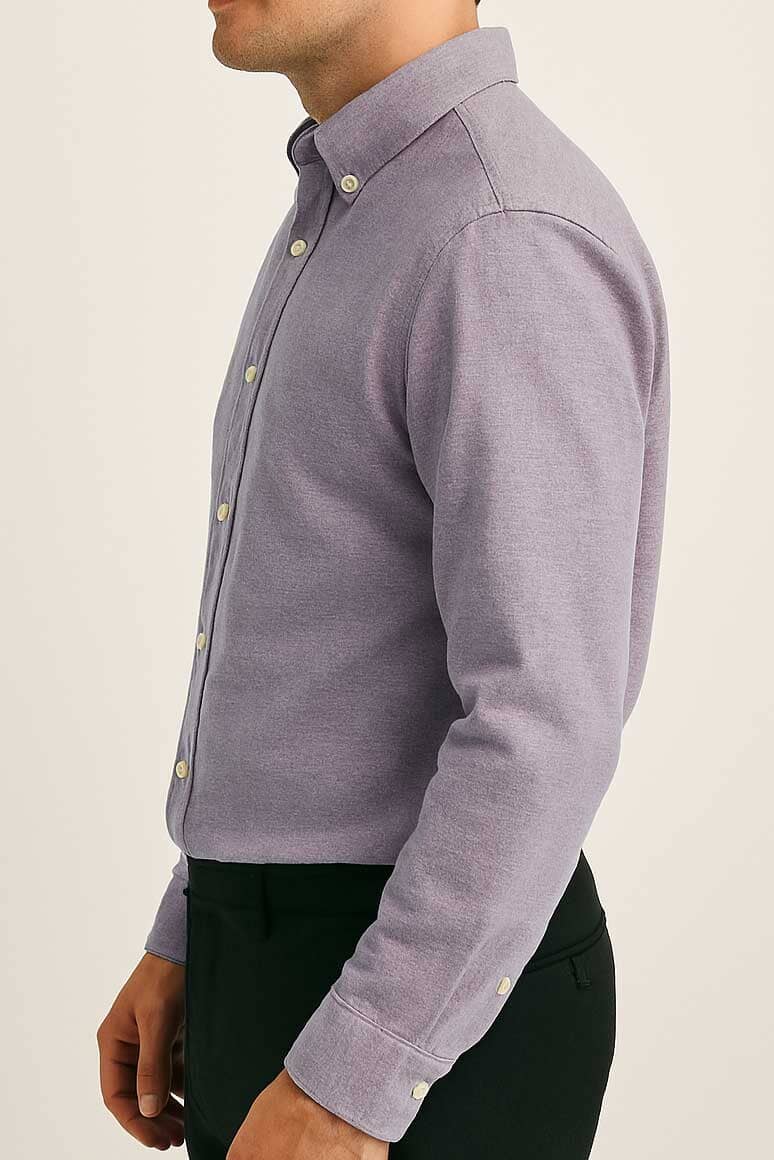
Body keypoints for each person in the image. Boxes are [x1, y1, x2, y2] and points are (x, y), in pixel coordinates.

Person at [97, 1, 670, 1157]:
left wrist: (353, 1078)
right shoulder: (362, 204)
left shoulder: (498, 229)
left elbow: (543, 723)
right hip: (290, 959)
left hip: (415, 1008)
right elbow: (315, 648)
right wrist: (196, 922)